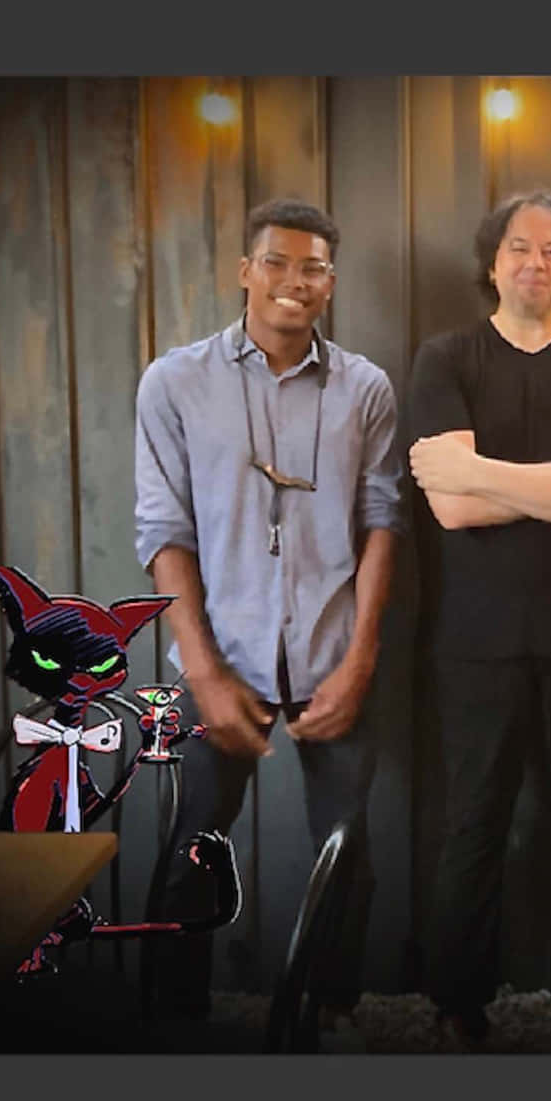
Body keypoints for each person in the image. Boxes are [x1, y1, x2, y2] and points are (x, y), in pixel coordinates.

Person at [134, 197, 402, 1017]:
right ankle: (172, 1026)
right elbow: (163, 531)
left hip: (331, 658)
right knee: (188, 855)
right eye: (277, 263)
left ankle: (330, 1018)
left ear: (330, 282)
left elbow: (381, 526)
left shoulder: (366, 389)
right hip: (219, 660)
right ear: (245, 271)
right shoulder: (175, 381)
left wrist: (359, 664)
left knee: (344, 857)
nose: (295, 281)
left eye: (313, 267)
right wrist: (206, 675)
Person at [404, 189, 551, 1047]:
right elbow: (452, 514)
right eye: (519, 247)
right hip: (477, 639)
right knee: (474, 818)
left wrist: (482, 473)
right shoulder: (447, 358)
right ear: (491, 261)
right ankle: (456, 1003)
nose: (535, 262)